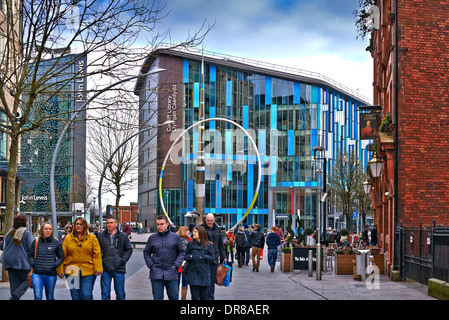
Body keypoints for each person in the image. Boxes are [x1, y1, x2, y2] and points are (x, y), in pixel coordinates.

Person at [57, 217, 103, 300]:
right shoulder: (67, 239)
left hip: (88, 270)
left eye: (80, 224)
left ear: (85, 226)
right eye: (77, 224)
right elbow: (62, 255)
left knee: (86, 295)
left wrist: (98, 268)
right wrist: (60, 270)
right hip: (71, 270)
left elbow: (97, 254)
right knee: (75, 296)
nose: (78, 226)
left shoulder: (92, 238)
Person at [143, 215, 185, 300]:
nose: (159, 226)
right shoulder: (152, 238)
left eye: (161, 224)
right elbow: (146, 252)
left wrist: (176, 265)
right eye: (158, 224)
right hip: (156, 273)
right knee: (157, 297)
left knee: (173, 297)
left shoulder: (175, 237)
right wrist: (151, 265)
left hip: (172, 272)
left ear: (167, 224)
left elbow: (182, 251)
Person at [98, 217, 133, 300]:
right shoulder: (101, 236)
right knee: (105, 293)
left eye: (111, 222)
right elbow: (98, 251)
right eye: (107, 223)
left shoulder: (123, 236)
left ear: (116, 224)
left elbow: (129, 250)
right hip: (106, 269)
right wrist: (103, 261)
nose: (109, 224)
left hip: (119, 269)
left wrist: (122, 261)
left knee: (120, 294)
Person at [0, 215, 34, 300]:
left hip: (9, 262)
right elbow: (31, 247)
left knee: (14, 283)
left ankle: (14, 297)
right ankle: (15, 296)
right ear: (25, 223)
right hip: (22, 262)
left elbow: (1, 246)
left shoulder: (9, 233)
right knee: (28, 279)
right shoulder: (26, 233)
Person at [28, 222, 64, 300]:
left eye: (50, 229)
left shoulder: (56, 243)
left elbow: (61, 257)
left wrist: (55, 265)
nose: (48, 231)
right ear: (42, 230)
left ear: (52, 231)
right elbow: (30, 255)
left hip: (51, 274)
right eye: (46, 229)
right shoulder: (36, 242)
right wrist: (33, 264)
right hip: (37, 274)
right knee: (37, 296)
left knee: (50, 297)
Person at [184, 226, 214, 300]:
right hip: (193, 272)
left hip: (204, 273)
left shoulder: (209, 245)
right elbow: (185, 256)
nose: (193, 233)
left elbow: (212, 257)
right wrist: (191, 256)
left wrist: (204, 257)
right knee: (194, 297)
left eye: (195, 232)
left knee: (204, 297)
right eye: (193, 231)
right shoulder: (190, 244)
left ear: (200, 233)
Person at [200, 213, 226, 300]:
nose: (209, 222)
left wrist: (224, 256)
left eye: (211, 221)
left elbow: (220, 244)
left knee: (212, 280)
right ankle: (204, 297)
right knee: (204, 280)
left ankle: (210, 297)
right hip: (204, 258)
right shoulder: (201, 228)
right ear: (205, 220)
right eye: (208, 220)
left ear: (214, 220)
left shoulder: (218, 229)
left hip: (214, 258)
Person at [177, 226, 192, 300]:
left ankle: (183, 298)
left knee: (185, 281)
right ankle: (175, 296)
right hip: (178, 263)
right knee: (176, 281)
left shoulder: (190, 240)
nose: (188, 231)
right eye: (187, 230)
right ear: (183, 231)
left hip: (186, 264)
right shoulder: (177, 240)